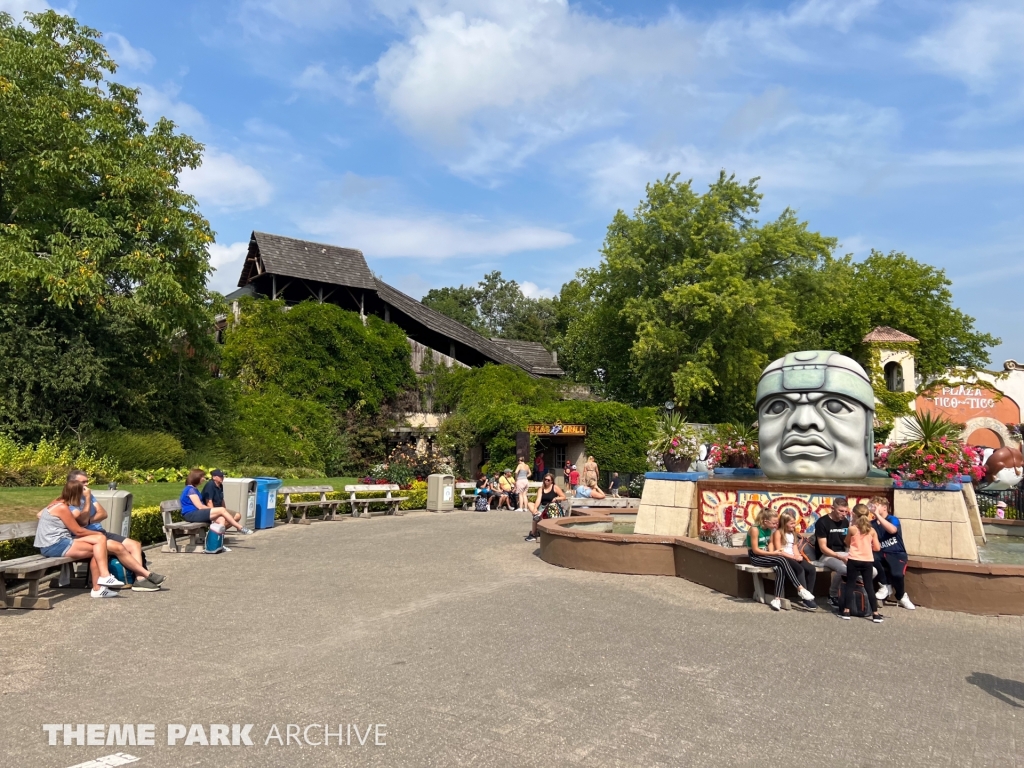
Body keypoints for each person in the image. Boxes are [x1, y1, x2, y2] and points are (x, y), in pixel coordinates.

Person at [34, 479, 165, 597]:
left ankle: (99, 587)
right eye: (81, 496)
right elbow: (78, 530)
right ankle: (107, 577)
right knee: (100, 542)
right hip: (53, 545)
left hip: (60, 541)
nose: (82, 500)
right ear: (75, 494)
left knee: (98, 547)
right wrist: (97, 534)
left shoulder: (62, 503)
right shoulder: (62, 507)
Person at [65, 469, 152, 583]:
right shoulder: (70, 501)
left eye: (87, 481)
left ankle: (139, 579)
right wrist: (87, 501)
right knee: (118, 547)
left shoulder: (89, 496)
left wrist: (89, 521)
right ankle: (144, 577)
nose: (86, 485)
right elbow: (81, 521)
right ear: (72, 484)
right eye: (83, 482)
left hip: (100, 532)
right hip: (87, 537)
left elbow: (103, 513)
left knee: (135, 545)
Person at [747, 509, 818, 611]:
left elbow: (771, 543)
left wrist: (772, 555)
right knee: (782, 560)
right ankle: (800, 588)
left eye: (777, 523)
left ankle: (777, 599)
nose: (776, 525)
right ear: (765, 521)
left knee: (780, 568)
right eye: (774, 523)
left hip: (767, 556)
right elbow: (755, 550)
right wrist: (773, 554)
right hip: (756, 557)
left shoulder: (770, 529)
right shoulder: (755, 529)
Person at [814, 497, 875, 608]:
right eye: (840, 511)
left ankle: (856, 590)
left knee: (872, 571)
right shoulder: (822, 522)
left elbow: (849, 543)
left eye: (845, 511)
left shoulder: (845, 522)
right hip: (827, 555)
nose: (843, 514)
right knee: (844, 569)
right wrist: (840, 557)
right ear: (832, 508)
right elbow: (823, 548)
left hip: (845, 552)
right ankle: (832, 595)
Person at [869, 496, 915, 610]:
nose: (873, 508)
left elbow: (892, 530)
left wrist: (878, 515)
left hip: (896, 552)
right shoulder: (872, 523)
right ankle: (885, 586)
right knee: (871, 557)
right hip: (881, 553)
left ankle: (901, 596)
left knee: (897, 575)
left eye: (876, 505)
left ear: (884, 507)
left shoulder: (893, 519)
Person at [840, 504, 883, 622]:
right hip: (867, 560)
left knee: (850, 584)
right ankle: (875, 613)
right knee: (869, 586)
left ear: (854, 514)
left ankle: (846, 611)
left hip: (854, 559)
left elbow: (847, 543)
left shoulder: (852, 529)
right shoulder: (872, 530)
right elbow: (877, 548)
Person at [180, 469, 253, 534]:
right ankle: (240, 527)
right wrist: (215, 510)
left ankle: (218, 542)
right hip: (191, 514)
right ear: (196, 477)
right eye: (202, 477)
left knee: (221, 519)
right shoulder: (190, 490)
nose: (204, 479)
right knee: (221, 510)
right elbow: (200, 506)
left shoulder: (194, 489)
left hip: (197, 513)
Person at [769, 512, 818, 599]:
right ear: (784, 523)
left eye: (794, 523)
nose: (794, 525)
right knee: (800, 570)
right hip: (784, 557)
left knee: (811, 569)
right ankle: (804, 595)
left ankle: (809, 594)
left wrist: (797, 555)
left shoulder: (793, 533)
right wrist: (793, 557)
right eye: (791, 523)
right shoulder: (778, 533)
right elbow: (779, 550)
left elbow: (794, 547)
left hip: (793, 557)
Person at [525, 473, 567, 543]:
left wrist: (556, 498)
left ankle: (533, 533)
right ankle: (537, 514)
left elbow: (563, 497)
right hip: (542, 507)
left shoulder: (555, 487)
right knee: (529, 504)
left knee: (535, 516)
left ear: (552, 481)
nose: (546, 481)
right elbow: (538, 500)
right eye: (545, 479)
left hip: (551, 507)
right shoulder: (541, 489)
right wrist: (535, 508)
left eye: (548, 480)